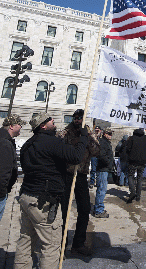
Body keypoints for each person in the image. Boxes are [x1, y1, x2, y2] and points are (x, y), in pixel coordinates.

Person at [14, 113, 89, 269]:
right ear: (43, 125)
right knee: (51, 244)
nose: (53, 122)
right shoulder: (52, 142)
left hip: (26, 196)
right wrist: (83, 138)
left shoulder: (28, 144)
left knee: (25, 240)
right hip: (44, 201)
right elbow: (75, 156)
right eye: (50, 121)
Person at [58, 109, 99, 256]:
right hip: (67, 174)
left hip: (81, 175)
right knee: (63, 210)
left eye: (80, 118)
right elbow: (59, 147)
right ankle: (61, 243)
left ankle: (78, 243)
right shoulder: (66, 132)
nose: (77, 120)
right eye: (75, 118)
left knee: (85, 208)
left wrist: (87, 137)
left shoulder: (87, 133)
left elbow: (96, 152)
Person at [0, 114, 26, 221]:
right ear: (11, 126)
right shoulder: (5, 143)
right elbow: (3, 172)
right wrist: (3, 192)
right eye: (19, 125)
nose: (21, 127)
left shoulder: (5, 140)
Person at [94, 127, 114, 218]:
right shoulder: (102, 142)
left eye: (111, 134)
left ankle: (99, 207)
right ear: (105, 134)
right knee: (101, 190)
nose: (110, 135)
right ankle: (98, 210)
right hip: (102, 169)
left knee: (102, 189)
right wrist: (109, 162)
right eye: (109, 133)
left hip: (104, 169)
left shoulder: (106, 142)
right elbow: (102, 155)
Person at [126, 128, 146, 203]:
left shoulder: (132, 138)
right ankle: (138, 196)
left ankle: (132, 192)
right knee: (139, 178)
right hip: (142, 161)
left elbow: (127, 149)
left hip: (133, 161)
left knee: (130, 176)